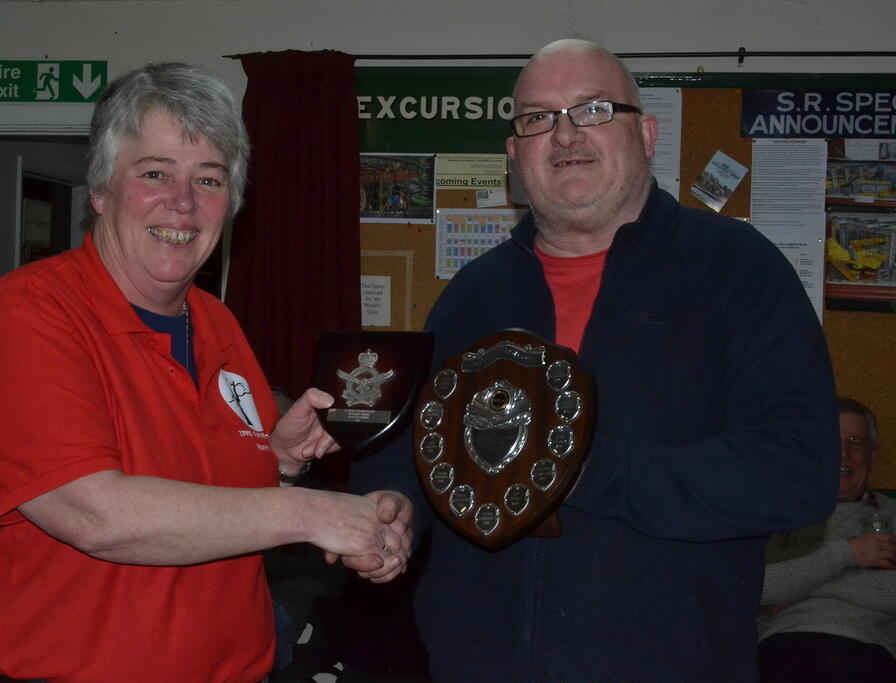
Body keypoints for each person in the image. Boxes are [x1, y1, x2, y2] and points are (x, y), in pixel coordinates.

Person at [350, 39, 839, 682]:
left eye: (593, 109)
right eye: (537, 118)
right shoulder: (472, 295)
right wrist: (392, 513)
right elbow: (423, 442)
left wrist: (578, 466)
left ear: (647, 134)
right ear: (513, 155)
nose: (565, 136)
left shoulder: (737, 270)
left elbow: (798, 472)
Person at [0, 62, 412, 683]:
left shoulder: (216, 323)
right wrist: (313, 514)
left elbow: (205, 493)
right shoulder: (27, 315)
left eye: (210, 179)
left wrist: (288, 469)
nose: (184, 203)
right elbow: (95, 514)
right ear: (100, 190)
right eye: (155, 173)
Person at [759, 397, 896, 682]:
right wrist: (848, 554)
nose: (843, 454)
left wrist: (798, 585)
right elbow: (758, 587)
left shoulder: (892, 514)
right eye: (832, 442)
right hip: (785, 643)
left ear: (872, 456)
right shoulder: (783, 515)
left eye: (855, 443)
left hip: (868, 647)